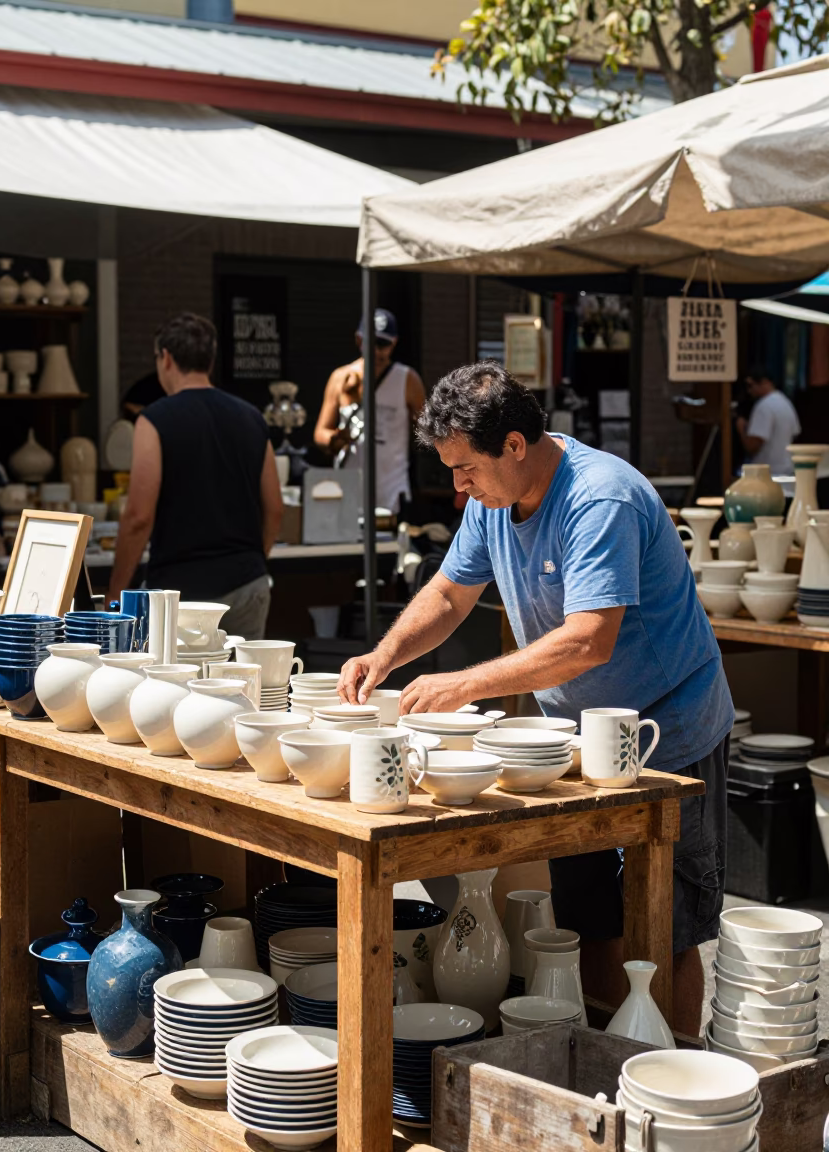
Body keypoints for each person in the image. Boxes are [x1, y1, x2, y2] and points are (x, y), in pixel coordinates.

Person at [338, 361, 733, 1035]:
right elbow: (447, 593)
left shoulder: (597, 498)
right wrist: (386, 654)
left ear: (515, 446)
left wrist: (460, 684)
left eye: (467, 470)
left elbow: (588, 641)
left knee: (665, 928)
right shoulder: (495, 503)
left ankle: (675, 1075)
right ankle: (612, 1063)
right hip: (573, 745)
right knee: (590, 923)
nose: (459, 489)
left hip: (670, 736)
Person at [109, 313, 283, 640]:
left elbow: (138, 517)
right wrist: (252, 561)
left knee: (176, 690)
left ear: (166, 358)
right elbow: (275, 507)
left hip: (179, 594)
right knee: (243, 688)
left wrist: (115, 592)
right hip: (248, 584)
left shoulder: (154, 420)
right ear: (210, 359)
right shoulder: (252, 418)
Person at [313, 308, 426, 514]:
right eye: (371, 343)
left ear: (394, 343)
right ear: (359, 340)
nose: (376, 351)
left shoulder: (408, 379)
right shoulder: (341, 377)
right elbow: (321, 431)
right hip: (348, 483)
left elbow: (427, 428)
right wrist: (335, 439)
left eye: (383, 344)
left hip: (392, 487)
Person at [736, 364, 801, 476]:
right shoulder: (785, 402)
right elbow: (795, 433)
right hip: (786, 469)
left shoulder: (764, 406)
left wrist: (741, 429)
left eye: (750, 385)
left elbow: (752, 446)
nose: (749, 391)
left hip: (767, 473)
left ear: (765, 382)